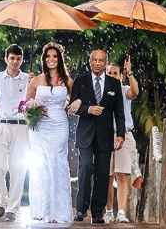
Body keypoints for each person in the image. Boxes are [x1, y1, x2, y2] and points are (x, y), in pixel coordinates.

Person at [68, 49, 125, 224]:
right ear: (90, 61)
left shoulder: (114, 84)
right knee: (85, 169)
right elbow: (72, 106)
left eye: (101, 60)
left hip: (105, 136)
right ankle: (81, 209)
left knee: (102, 174)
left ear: (105, 62)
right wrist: (88, 109)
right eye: (95, 60)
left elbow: (119, 112)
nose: (98, 63)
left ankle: (97, 212)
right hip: (85, 134)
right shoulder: (81, 80)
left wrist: (121, 134)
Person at [25, 41, 77, 223]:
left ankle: (59, 212)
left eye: (55, 56)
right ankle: (42, 209)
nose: (51, 59)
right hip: (40, 127)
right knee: (40, 166)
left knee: (58, 164)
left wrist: (74, 104)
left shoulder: (68, 81)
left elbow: (77, 100)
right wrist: (33, 108)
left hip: (59, 125)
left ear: (60, 59)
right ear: (43, 59)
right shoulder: (35, 80)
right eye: (48, 56)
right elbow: (24, 105)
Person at [0, 44, 30, 222]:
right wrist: (0, 109)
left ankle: (12, 208)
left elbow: (34, 99)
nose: (15, 62)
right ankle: (2, 200)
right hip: (1, 125)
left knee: (18, 168)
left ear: (22, 60)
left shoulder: (28, 78)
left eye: (18, 59)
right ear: (6, 59)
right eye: (12, 58)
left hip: (21, 126)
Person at [104, 56, 139, 223]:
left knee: (122, 175)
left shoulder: (125, 89)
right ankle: (109, 210)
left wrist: (129, 72)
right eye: (109, 72)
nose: (111, 75)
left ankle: (122, 212)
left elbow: (135, 92)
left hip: (123, 135)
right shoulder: (101, 91)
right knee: (107, 177)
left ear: (120, 75)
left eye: (115, 73)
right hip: (105, 136)